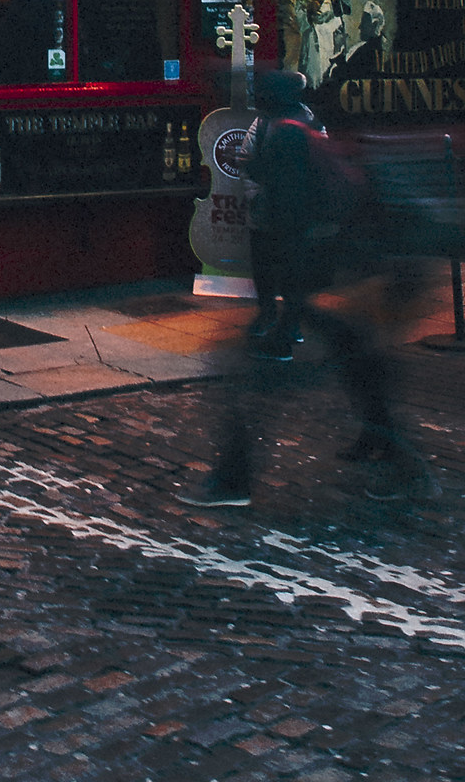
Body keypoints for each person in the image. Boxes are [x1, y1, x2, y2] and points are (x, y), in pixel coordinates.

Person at [180, 68, 421, 508]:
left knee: (253, 376)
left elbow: (291, 211)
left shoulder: (290, 134)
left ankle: (233, 481)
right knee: (358, 370)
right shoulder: (299, 128)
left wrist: (289, 301)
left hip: (325, 269)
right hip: (343, 270)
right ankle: (400, 461)